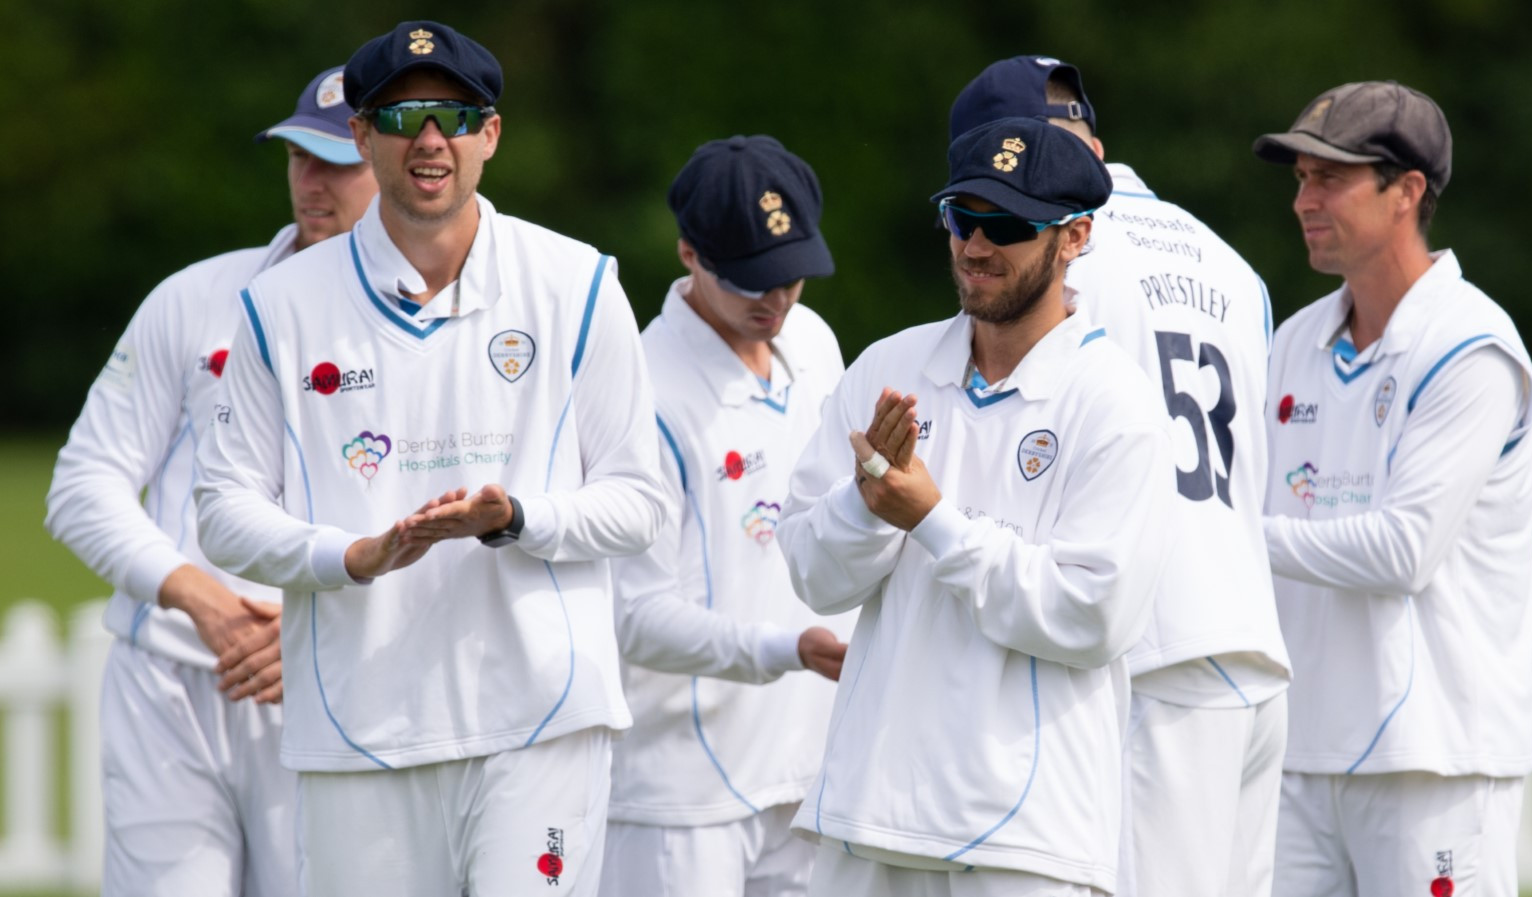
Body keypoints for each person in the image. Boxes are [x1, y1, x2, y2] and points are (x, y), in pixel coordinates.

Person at [192, 21, 665, 897]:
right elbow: (222, 510)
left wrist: (518, 516)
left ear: (491, 134)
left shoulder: (578, 283)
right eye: (405, 118)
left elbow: (641, 501)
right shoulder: (278, 308)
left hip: (542, 722)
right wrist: (348, 556)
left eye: (456, 116)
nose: (431, 140)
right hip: (359, 728)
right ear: (364, 137)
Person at [778, 115, 1171, 896]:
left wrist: (930, 517)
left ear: (1075, 237)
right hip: (865, 815)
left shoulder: (1115, 400)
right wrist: (866, 505)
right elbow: (813, 578)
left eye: (1008, 224)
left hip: (1024, 838)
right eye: (963, 216)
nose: (976, 245)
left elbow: (1093, 614)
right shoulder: (889, 364)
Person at [950, 56, 1292, 897]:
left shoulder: (1056, 257)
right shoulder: (1230, 261)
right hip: (1250, 644)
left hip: (1147, 656)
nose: (978, 225)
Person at [43, 65, 375, 897]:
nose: (312, 181)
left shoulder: (429, 328)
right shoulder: (194, 297)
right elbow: (83, 484)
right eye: (300, 155)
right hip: (167, 684)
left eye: (339, 160)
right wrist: (202, 599)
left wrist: (324, 643)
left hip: (331, 691)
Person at [1253, 81, 1532, 896]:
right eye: (1300, 177)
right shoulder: (1293, 341)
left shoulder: (1473, 347)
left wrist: (1236, 533)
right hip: (1299, 752)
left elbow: (1403, 550)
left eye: (1329, 178)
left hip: (1436, 760)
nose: (1304, 200)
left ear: (1408, 190)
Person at [599, 134, 853, 897]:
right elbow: (635, 614)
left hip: (810, 773)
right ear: (688, 254)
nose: (775, 301)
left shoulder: (813, 343)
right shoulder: (642, 387)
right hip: (677, 798)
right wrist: (785, 647)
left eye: (791, 276)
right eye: (751, 281)